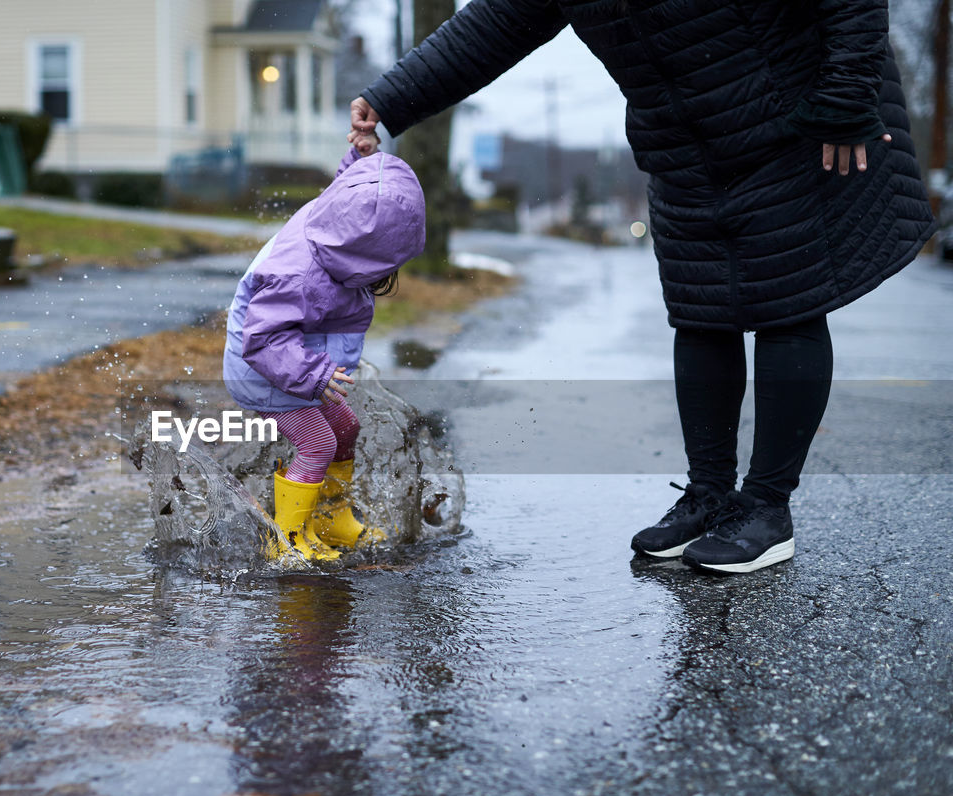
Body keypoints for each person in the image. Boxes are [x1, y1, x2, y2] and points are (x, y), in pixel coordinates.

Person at [349, 0, 936, 574]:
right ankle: (709, 496)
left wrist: (844, 98)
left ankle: (765, 510)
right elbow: (498, 21)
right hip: (682, 144)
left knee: (790, 305)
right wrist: (390, 98)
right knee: (700, 312)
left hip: (785, 117)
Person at [222, 134, 426, 560]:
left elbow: (350, 192)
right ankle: (289, 538)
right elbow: (261, 338)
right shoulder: (296, 275)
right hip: (266, 371)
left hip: (297, 361)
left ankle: (331, 518)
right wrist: (313, 375)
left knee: (346, 428)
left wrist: (359, 161)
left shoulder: (338, 218)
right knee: (318, 443)